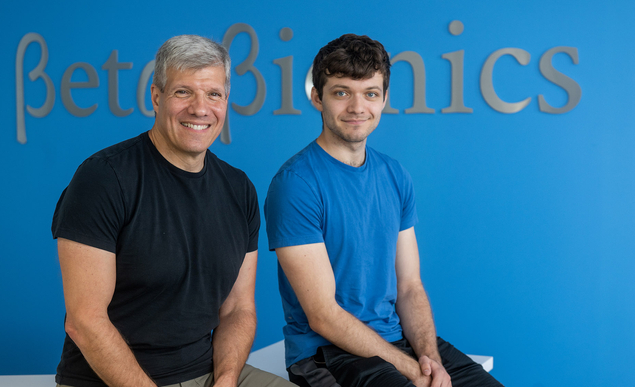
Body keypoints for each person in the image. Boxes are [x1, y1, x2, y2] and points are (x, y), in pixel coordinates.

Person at [52, 35, 295, 387]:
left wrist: (226, 380)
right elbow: (84, 321)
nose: (200, 108)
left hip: (208, 373)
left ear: (226, 101)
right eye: (183, 92)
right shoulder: (104, 178)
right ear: (156, 97)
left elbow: (238, 309)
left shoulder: (239, 189)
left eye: (213, 94)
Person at [264, 34, 503, 387]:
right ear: (317, 97)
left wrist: (429, 360)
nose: (358, 107)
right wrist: (411, 371)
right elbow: (323, 316)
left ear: (384, 99)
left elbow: (409, 286)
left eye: (370, 93)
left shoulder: (394, 175)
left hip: (397, 339)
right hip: (327, 354)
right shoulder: (295, 184)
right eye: (342, 92)